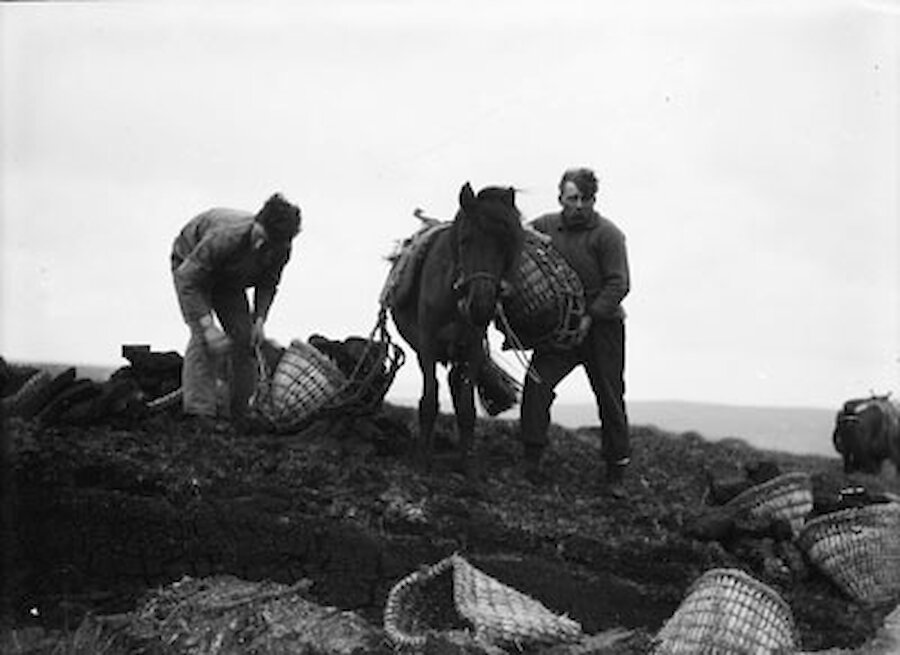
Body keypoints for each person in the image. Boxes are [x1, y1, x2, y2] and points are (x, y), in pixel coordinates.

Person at [520, 168, 631, 497]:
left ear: (594, 200)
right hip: (560, 328)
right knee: (537, 384)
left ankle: (616, 473)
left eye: (586, 199)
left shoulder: (609, 235)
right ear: (561, 199)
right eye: (573, 198)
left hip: (604, 327)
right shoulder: (544, 226)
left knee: (610, 396)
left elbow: (619, 283)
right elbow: (519, 240)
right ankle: (532, 460)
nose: (580, 205)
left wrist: (591, 316)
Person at [171, 193, 302, 427]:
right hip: (191, 267)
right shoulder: (224, 237)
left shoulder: (281, 248)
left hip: (231, 280)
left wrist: (260, 318)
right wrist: (207, 325)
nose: (262, 245)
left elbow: (268, 283)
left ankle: (240, 413)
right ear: (257, 223)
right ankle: (199, 414)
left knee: (245, 339)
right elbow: (188, 279)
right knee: (205, 339)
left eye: (270, 243)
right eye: (260, 236)